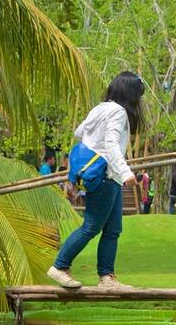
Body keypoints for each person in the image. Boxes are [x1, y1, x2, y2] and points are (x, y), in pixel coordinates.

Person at [48, 71, 145, 289]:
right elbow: (111, 144)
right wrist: (126, 171)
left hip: (110, 179)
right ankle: (60, 266)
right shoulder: (119, 112)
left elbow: (79, 131)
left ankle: (107, 277)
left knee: (113, 230)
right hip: (106, 177)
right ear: (130, 93)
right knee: (91, 226)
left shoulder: (100, 108)